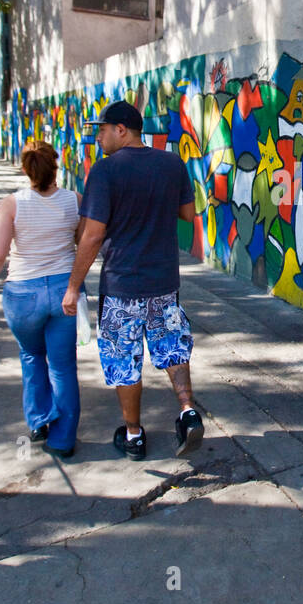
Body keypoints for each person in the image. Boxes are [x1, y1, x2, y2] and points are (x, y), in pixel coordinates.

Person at [61, 100, 202, 461]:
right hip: (164, 283)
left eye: (103, 130)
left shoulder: (105, 172)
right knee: (172, 347)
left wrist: (74, 286)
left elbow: (92, 236)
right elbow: (188, 214)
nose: (98, 137)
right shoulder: (172, 163)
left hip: (122, 285)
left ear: (121, 129)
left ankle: (135, 435)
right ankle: (188, 412)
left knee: (124, 359)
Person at [0, 139, 84, 458]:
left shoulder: (12, 204)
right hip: (64, 293)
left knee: (31, 355)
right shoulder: (75, 201)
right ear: (56, 166)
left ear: (25, 169)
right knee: (62, 367)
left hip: (23, 295)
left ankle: (39, 420)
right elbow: (84, 245)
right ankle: (63, 441)